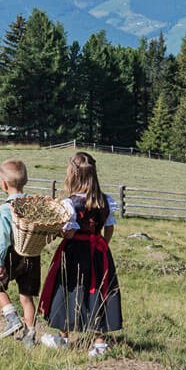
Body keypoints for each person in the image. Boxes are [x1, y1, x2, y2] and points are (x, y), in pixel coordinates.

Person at [39, 152, 122, 357]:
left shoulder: (70, 203)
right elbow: (109, 228)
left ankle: (63, 337)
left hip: (75, 251)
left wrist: (58, 232)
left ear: (73, 175)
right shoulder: (106, 201)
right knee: (99, 291)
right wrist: (102, 244)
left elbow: (70, 231)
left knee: (68, 289)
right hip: (99, 252)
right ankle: (100, 343)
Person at [0, 158, 43, 346]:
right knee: (26, 297)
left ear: (3, 184)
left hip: (13, 254)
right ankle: (29, 338)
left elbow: (2, 239)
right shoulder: (34, 207)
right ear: (25, 181)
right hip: (33, 256)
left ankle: (12, 319)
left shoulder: (4, 209)